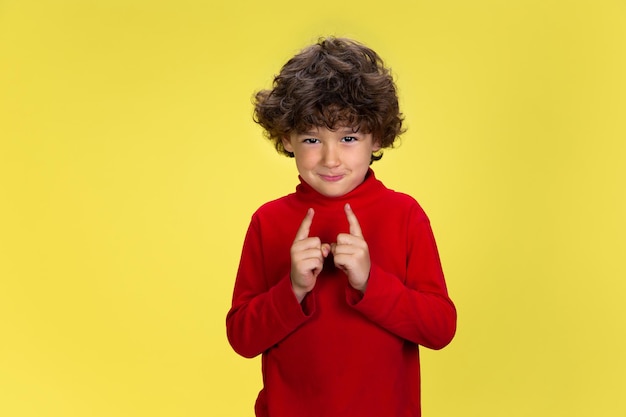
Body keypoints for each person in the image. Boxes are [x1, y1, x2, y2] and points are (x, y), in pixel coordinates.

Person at [226, 37, 456, 417]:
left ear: (376, 137)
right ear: (287, 139)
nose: (331, 159)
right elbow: (242, 338)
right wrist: (293, 289)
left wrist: (371, 283)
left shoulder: (405, 215)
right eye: (312, 139)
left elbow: (440, 329)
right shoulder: (267, 222)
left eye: (349, 138)